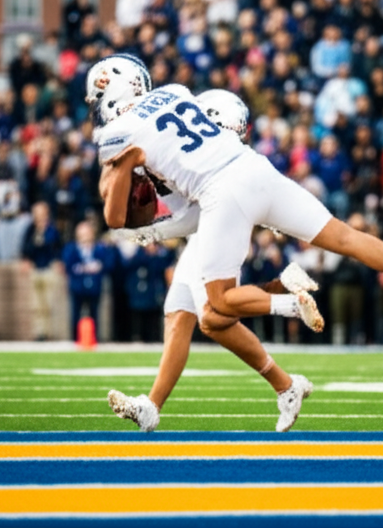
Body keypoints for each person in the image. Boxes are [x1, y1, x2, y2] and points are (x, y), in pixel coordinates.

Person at [88, 54, 383, 360]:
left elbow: (115, 218)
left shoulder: (116, 133)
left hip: (222, 192)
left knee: (219, 303)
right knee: (345, 236)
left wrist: (124, 164)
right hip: (255, 168)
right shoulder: (176, 91)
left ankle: (291, 303)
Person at [106, 89, 320, 432]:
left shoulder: (215, 160)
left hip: (211, 235)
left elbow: (193, 215)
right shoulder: (214, 149)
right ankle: (153, 406)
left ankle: (288, 303)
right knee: (182, 318)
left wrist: (149, 232)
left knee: (213, 318)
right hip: (203, 237)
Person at [61, 220, 114, 341]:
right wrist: (83, 268)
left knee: (95, 314)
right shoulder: (72, 248)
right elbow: (68, 265)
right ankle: (75, 339)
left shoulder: (100, 248)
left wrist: (98, 266)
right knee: (75, 314)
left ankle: (94, 338)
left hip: (94, 286)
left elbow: (108, 264)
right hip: (77, 286)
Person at [20, 201, 62, 341]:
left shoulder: (52, 230)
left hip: (48, 269)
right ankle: (39, 332)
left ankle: (49, 332)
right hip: (35, 268)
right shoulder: (31, 230)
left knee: (48, 304)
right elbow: (26, 248)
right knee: (36, 305)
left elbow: (56, 248)